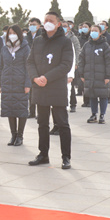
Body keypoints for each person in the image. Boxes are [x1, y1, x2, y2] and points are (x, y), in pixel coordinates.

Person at [27, 11, 74, 170]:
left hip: (56, 87)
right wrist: (35, 78)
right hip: (40, 87)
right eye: (45, 20)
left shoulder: (65, 42)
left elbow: (66, 65)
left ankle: (66, 157)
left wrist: (47, 77)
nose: (47, 22)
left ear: (58, 24)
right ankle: (43, 154)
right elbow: (30, 62)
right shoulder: (38, 40)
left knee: (62, 123)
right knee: (42, 123)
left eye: (51, 20)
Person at [0, 25, 31, 145]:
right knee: (10, 109)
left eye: (14, 33)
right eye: (9, 33)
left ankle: (20, 136)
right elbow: (0, 66)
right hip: (7, 83)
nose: (11, 35)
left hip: (20, 83)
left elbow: (28, 67)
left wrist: (27, 84)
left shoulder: (25, 48)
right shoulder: (4, 48)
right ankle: (13, 135)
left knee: (21, 110)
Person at [80, 24, 110, 124]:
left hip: (102, 76)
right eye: (92, 31)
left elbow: (109, 61)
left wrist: (108, 75)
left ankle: (102, 115)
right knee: (92, 95)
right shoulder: (86, 45)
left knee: (103, 95)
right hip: (89, 75)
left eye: (95, 31)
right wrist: (81, 74)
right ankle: (94, 114)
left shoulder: (105, 45)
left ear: (100, 33)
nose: (93, 33)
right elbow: (81, 60)